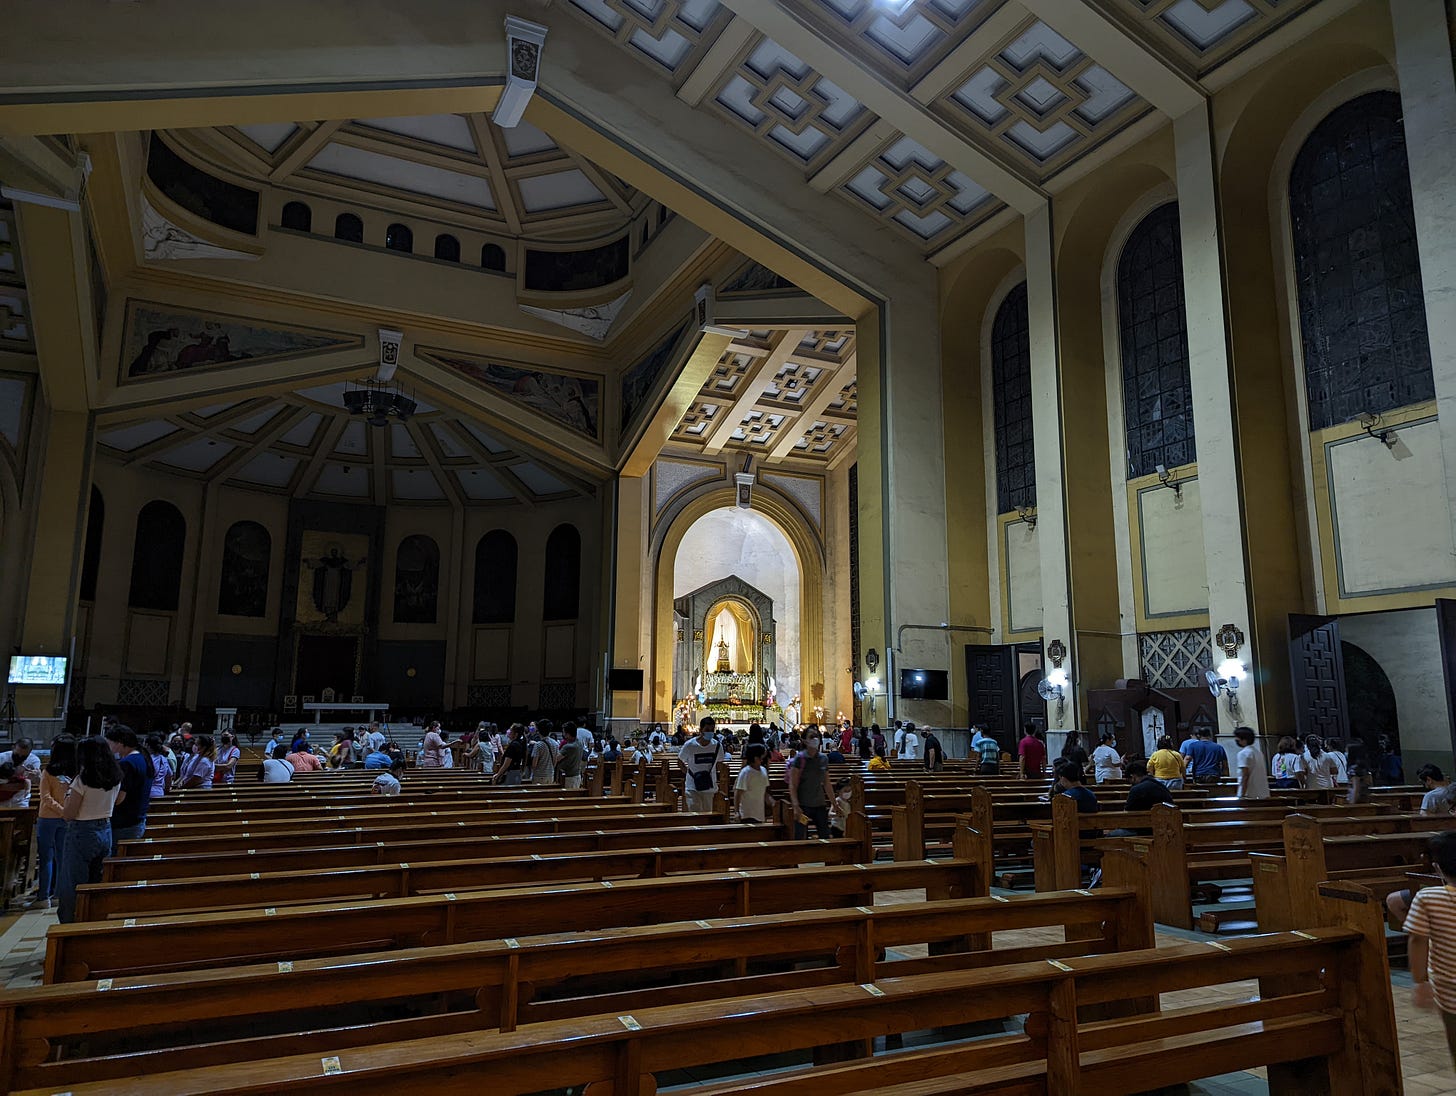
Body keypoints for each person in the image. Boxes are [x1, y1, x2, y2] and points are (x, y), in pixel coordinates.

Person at [1401, 832, 1456, 1068]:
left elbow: (1418, 940)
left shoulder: (1428, 898)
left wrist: (1420, 980)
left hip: (1450, 991)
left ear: (1437, 868)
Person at [56, 737, 123, 924]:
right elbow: (116, 802)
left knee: (73, 883)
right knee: (96, 881)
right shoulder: (115, 776)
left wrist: (66, 792)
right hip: (105, 829)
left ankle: (69, 925)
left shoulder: (82, 780)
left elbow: (69, 814)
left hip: (82, 830)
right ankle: (91, 922)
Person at [28, 734, 77, 910]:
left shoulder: (48, 770)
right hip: (67, 818)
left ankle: (43, 897)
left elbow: (45, 797)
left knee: (47, 858)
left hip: (48, 817)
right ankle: (58, 895)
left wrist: (59, 810)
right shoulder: (77, 771)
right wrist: (65, 811)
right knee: (62, 857)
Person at [105, 725, 153, 853]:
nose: (108, 746)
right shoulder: (142, 757)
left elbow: (120, 798)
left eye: (110, 742)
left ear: (120, 743)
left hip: (124, 822)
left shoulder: (127, 763)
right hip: (137, 819)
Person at [788, 728, 834, 839]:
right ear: (805, 741)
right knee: (801, 836)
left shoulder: (823, 758)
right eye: (811, 737)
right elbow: (793, 784)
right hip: (803, 806)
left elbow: (827, 783)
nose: (814, 739)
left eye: (816, 736)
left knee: (825, 835)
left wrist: (835, 804)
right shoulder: (799, 759)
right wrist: (795, 805)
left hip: (819, 804)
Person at [679, 717, 724, 814]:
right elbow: (680, 761)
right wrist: (688, 773)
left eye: (712, 730)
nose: (710, 732)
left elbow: (720, 764)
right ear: (701, 730)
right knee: (694, 814)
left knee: (707, 814)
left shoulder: (717, 746)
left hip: (709, 786)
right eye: (707, 730)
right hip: (692, 786)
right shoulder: (690, 745)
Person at [733, 743, 772, 824]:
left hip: (760, 813)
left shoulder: (763, 770)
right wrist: (737, 812)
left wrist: (771, 802)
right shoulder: (746, 772)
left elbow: (764, 791)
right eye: (761, 757)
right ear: (755, 757)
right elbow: (738, 793)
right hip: (747, 814)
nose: (763, 759)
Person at [0, 737, 41, 808]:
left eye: (24, 756)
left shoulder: (34, 761)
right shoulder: (1, 757)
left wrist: (37, 777)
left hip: (20, 799)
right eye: (17, 754)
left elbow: (34, 782)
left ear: (30, 752)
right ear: (13, 747)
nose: (19, 757)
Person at [1234, 726, 1270, 800]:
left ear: (1244, 739)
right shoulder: (1258, 752)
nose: (1236, 739)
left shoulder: (1243, 753)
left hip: (1249, 793)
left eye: (1237, 737)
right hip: (1262, 792)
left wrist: (1242, 794)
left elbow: (1245, 775)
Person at [558, 724, 585, 790]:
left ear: (568, 734)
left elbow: (557, 758)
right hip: (577, 775)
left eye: (564, 732)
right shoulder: (579, 742)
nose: (563, 734)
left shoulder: (568, 747)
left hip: (569, 777)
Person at [145, 734, 172, 799]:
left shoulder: (146, 759)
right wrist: (167, 790)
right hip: (160, 793)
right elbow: (169, 776)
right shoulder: (163, 759)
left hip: (147, 792)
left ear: (147, 745)